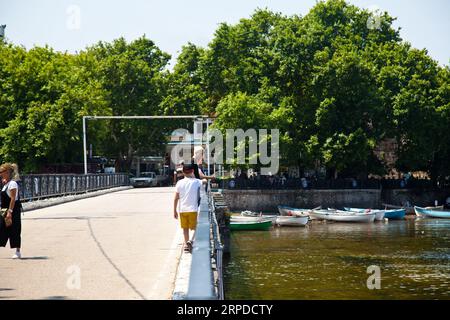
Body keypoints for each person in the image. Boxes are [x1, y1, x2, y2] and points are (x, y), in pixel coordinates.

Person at [173, 163, 202, 253]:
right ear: (192, 171)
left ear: (183, 172)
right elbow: (203, 182)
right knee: (194, 227)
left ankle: (186, 245)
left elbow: (176, 198)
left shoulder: (179, 183)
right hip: (193, 209)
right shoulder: (197, 182)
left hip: (182, 209)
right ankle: (190, 241)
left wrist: (174, 210)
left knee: (185, 228)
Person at [0, 163, 22, 259]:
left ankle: (17, 251)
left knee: (15, 230)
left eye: (1, 172)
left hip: (12, 209)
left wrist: (10, 212)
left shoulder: (13, 183)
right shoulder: (6, 183)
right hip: (3, 210)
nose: (0, 174)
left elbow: (13, 199)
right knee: (1, 229)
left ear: (7, 172)